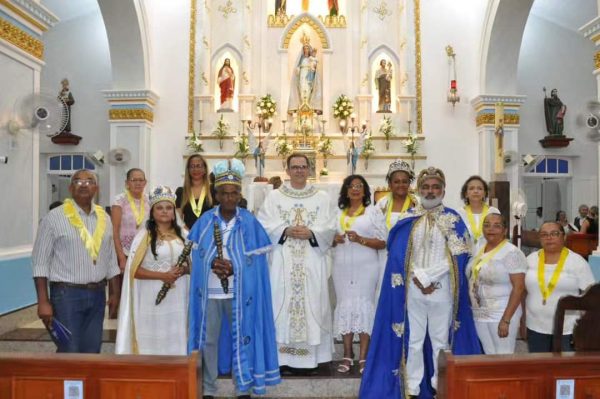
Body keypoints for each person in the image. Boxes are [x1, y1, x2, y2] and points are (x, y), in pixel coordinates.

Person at [360, 166, 481, 399]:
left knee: (440, 341)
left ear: (444, 190)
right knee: (413, 340)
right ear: (419, 190)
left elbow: (459, 254)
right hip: (413, 290)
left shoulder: (453, 218)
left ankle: (440, 387)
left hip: (442, 288)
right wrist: (418, 277)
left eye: (436, 187)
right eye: (425, 187)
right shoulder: (407, 218)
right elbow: (399, 253)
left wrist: (429, 277)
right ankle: (412, 389)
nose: (430, 191)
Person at [188, 159, 281, 398]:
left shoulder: (249, 222)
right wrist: (212, 262)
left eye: (234, 193)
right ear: (216, 194)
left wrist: (234, 268)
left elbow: (257, 263)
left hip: (241, 295)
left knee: (244, 337)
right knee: (208, 341)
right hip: (210, 292)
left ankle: (243, 387)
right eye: (224, 193)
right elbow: (196, 256)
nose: (229, 198)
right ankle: (208, 389)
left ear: (240, 195)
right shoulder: (206, 221)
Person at [256, 153, 336, 370]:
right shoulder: (274, 197)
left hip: (312, 261)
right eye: (295, 167)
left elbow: (331, 227)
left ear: (310, 170)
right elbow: (262, 225)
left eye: (303, 166)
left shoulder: (322, 198)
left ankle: (315, 359)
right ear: (287, 170)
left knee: (315, 305)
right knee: (281, 303)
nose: (299, 170)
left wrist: (312, 232)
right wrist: (284, 230)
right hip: (283, 262)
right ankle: (283, 359)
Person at [32, 169, 121, 353]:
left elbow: (110, 258)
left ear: (96, 188)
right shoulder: (54, 218)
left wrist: (114, 293)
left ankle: (86, 383)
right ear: (71, 188)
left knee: (92, 349)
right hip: (66, 296)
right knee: (69, 350)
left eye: (89, 181)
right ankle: (67, 383)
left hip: (97, 295)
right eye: (78, 181)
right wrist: (43, 301)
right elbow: (40, 262)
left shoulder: (105, 217)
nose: (84, 184)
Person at [115, 186, 190, 355]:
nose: (164, 211)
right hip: (151, 296)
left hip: (178, 298)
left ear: (174, 211)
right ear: (153, 212)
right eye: (159, 208)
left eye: (168, 207)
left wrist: (184, 270)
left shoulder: (184, 235)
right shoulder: (144, 236)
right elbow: (134, 271)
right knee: (152, 334)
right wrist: (163, 276)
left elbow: (196, 264)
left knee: (176, 335)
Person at [332, 175, 386, 375]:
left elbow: (382, 241)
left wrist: (361, 239)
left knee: (364, 306)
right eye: (351, 186)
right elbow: (326, 238)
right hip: (342, 267)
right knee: (345, 304)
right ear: (345, 191)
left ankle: (364, 356)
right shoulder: (337, 213)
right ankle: (347, 354)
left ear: (365, 191)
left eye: (359, 186)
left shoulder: (373, 212)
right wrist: (334, 239)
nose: (355, 189)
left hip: (367, 267)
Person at [525, 222, 595, 352]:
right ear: (539, 239)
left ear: (564, 237)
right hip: (535, 326)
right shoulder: (530, 259)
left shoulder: (577, 262)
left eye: (554, 234)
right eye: (544, 234)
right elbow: (522, 292)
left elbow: (590, 295)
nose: (549, 238)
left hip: (567, 328)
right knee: (539, 368)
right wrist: (521, 322)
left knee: (564, 370)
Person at [467, 213, 526, 354]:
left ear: (505, 230)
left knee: (503, 355)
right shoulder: (480, 250)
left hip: (502, 312)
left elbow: (519, 288)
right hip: (480, 312)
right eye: (486, 225)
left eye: (496, 226)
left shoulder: (512, 253)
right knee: (489, 354)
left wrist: (506, 320)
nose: (490, 229)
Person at [111, 169, 149, 309]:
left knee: (142, 290)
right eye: (134, 180)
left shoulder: (150, 200)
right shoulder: (119, 200)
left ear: (145, 182)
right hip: (125, 252)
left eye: (141, 180)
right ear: (127, 183)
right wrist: (121, 257)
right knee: (125, 291)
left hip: (144, 252)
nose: (138, 183)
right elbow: (114, 231)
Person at [457, 175, 499, 250]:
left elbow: (499, 237)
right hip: (466, 257)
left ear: (485, 193)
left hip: (488, 256)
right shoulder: (459, 213)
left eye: (479, 188)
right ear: (466, 194)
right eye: (471, 188)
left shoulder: (493, 212)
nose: (476, 191)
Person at [176, 154, 213, 231]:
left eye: (199, 166)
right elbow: (178, 219)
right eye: (192, 166)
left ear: (205, 169)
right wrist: (189, 234)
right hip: (188, 236)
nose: (195, 169)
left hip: (209, 235)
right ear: (188, 170)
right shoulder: (181, 192)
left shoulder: (213, 190)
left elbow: (217, 217)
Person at [377, 160, 416, 230]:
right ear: (390, 184)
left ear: (409, 183)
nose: (401, 185)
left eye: (404, 182)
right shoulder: (381, 204)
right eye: (396, 182)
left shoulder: (418, 203)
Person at [288, 44, 323, 114]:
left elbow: (314, 68)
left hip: (309, 76)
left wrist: (314, 68)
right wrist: (298, 69)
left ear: (309, 49)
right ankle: (301, 105)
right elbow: (297, 67)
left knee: (308, 89)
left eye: (307, 48)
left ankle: (309, 105)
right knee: (302, 88)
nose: (306, 50)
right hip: (302, 76)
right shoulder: (301, 58)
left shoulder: (311, 58)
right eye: (305, 48)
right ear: (303, 50)